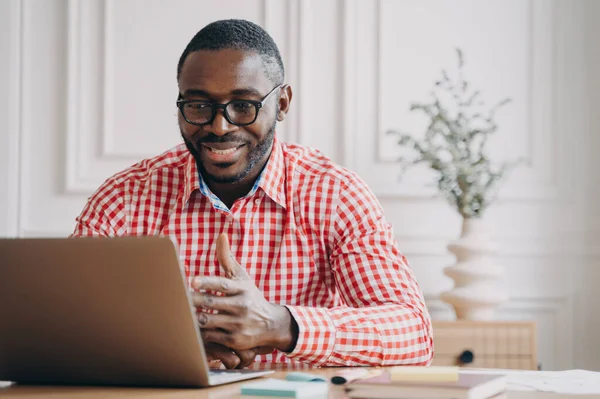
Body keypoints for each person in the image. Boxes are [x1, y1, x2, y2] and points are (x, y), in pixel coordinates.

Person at [71, 19, 434, 370]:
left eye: (243, 105)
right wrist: (169, 341)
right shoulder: (124, 198)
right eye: (198, 105)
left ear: (283, 103)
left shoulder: (336, 194)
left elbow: (413, 334)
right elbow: (63, 320)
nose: (219, 126)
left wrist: (279, 325)